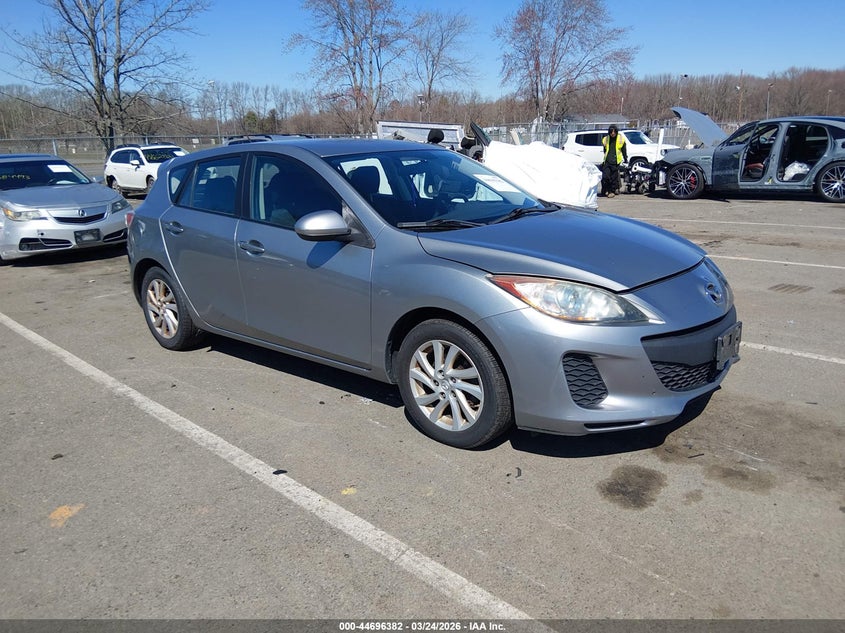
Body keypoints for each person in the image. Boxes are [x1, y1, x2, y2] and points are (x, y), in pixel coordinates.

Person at [601, 125, 628, 197]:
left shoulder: (621, 139)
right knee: (605, 177)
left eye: (614, 132)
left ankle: (611, 192)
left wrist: (626, 159)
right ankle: (606, 190)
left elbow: (624, 150)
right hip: (607, 161)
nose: (612, 133)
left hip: (615, 162)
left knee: (614, 178)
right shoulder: (606, 139)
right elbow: (605, 150)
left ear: (616, 132)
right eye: (611, 132)